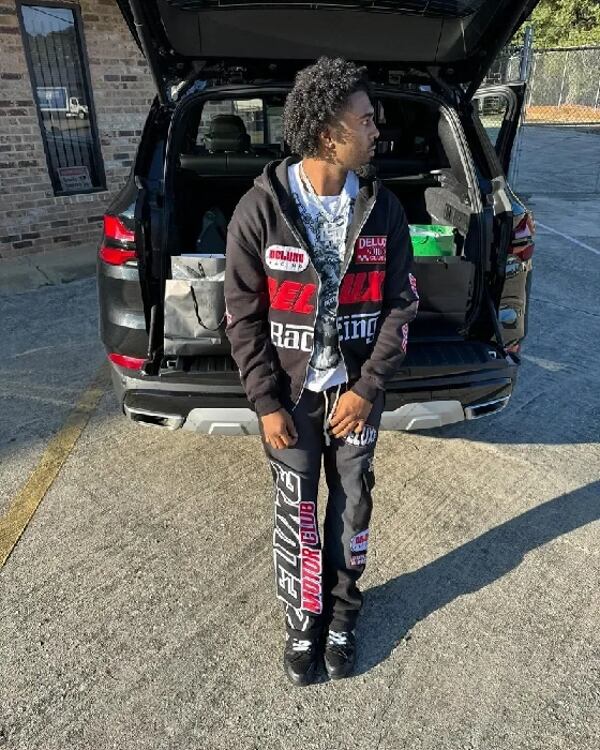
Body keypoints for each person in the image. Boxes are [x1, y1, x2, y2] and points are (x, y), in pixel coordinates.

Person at [224, 56, 419, 686]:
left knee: (352, 507)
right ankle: (303, 618)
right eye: (366, 120)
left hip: (354, 396)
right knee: (298, 510)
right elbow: (242, 317)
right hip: (290, 399)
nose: (377, 130)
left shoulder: (382, 209)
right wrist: (265, 403)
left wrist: (367, 388)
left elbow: (401, 304)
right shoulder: (259, 210)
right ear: (330, 133)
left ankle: (342, 616)